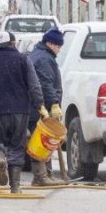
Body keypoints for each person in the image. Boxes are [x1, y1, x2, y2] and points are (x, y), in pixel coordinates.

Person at [0, 31, 46, 194]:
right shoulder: (24, 60)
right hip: (20, 112)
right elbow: (34, 85)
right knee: (17, 147)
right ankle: (15, 186)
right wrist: (40, 106)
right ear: (13, 44)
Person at [27, 28, 66, 186]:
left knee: (45, 140)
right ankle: (41, 177)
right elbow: (46, 83)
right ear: (50, 44)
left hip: (35, 104)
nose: (59, 49)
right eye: (58, 46)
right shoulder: (44, 59)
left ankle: (46, 175)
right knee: (42, 141)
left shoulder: (39, 54)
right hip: (40, 106)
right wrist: (54, 103)